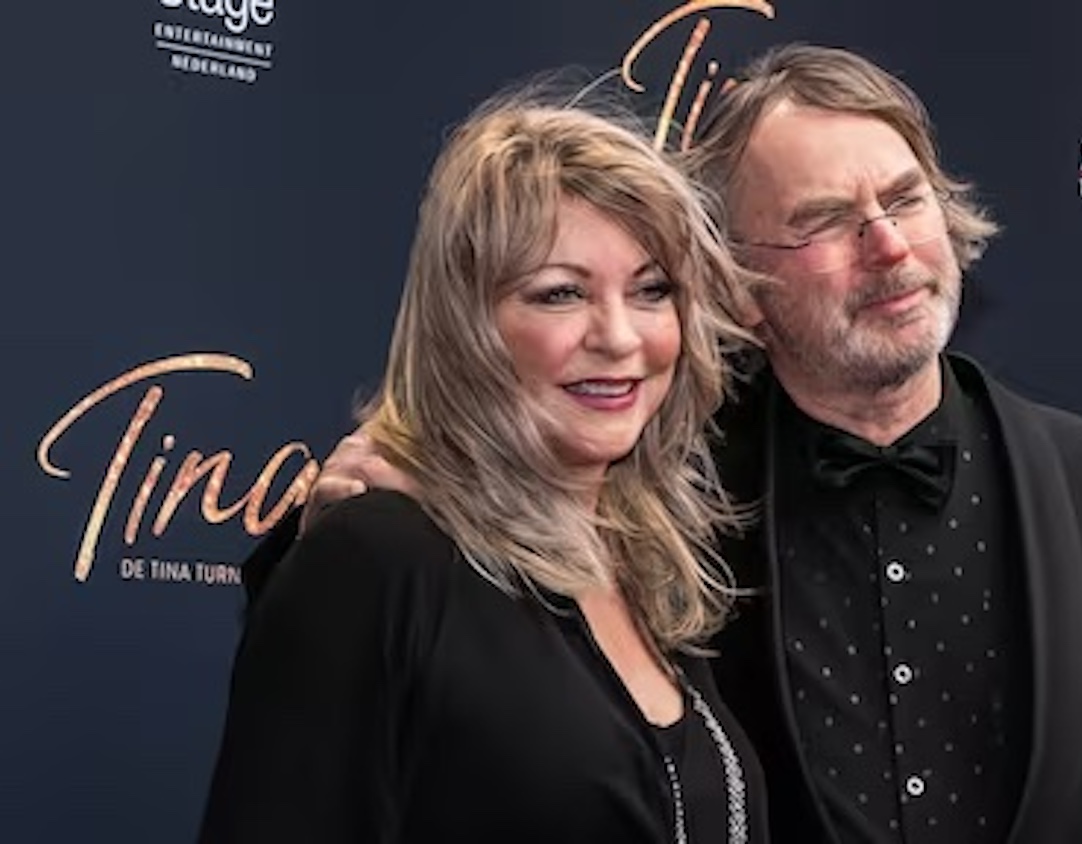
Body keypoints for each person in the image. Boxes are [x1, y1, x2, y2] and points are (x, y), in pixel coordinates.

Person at [252, 45, 1082, 843]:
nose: (888, 246)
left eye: (905, 200)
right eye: (826, 220)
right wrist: (329, 530)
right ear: (738, 283)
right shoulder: (650, 495)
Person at [199, 91, 767, 844]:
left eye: (651, 290)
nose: (620, 336)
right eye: (561, 293)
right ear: (467, 326)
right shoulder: (377, 558)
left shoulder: (651, 569)